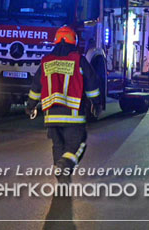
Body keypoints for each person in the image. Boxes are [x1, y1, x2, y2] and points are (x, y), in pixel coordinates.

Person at [26, 26, 102, 182]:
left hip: (51, 116)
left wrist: (30, 105)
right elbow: (91, 82)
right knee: (78, 144)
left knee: (58, 146)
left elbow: (36, 86)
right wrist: (96, 103)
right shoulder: (78, 60)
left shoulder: (46, 62)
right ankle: (65, 165)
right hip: (73, 116)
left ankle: (61, 177)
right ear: (73, 41)